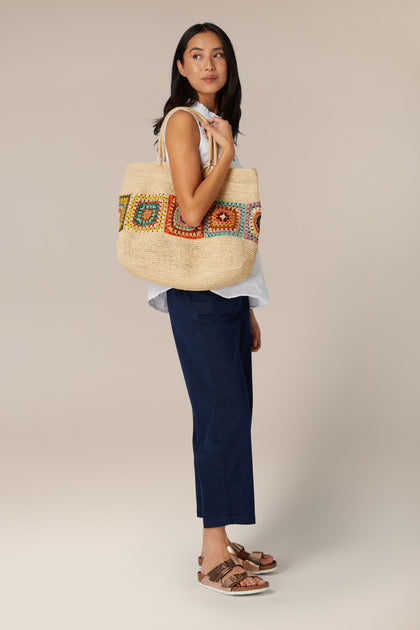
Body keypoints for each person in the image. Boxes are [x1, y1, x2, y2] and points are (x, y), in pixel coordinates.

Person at [149, 23, 276, 595]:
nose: (208, 64)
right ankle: (210, 555)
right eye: (196, 55)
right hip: (197, 297)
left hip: (223, 295)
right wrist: (224, 153)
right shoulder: (184, 122)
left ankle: (222, 542)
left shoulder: (215, 123)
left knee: (232, 416)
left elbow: (231, 236)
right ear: (180, 66)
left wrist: (247, 303)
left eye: (217, 55)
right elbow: (195, 213)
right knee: (219, 420)